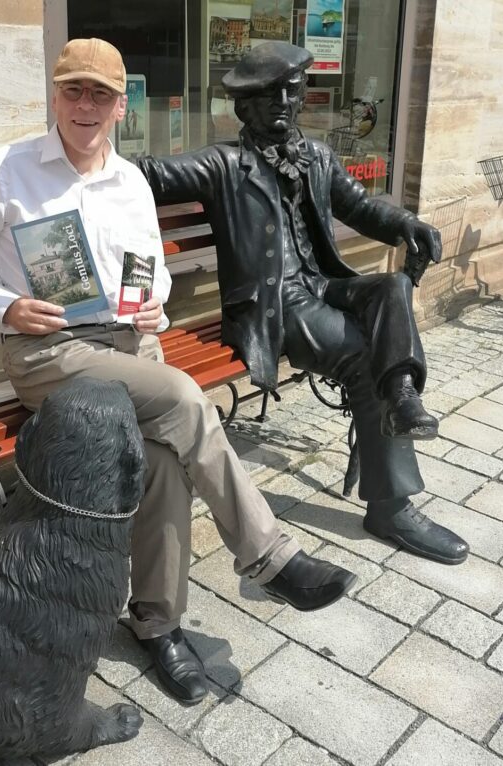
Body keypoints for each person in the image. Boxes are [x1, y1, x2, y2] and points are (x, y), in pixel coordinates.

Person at [0, 38, 356, 706]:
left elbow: (147, 263)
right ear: (54, 94)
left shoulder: (128, 179)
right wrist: (3, 302)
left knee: (160, 464)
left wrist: (152, 299)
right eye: (73, 90)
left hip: (131, 345)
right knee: (187, 403)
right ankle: (268, 558)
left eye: (100, 94)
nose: (85, 105)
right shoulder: (1, 170)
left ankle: (157, 624)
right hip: (51, 354)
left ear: (121, 105)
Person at [137, 41, 470, 569]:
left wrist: (406, 223)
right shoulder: (224, 165)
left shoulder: (315, 155)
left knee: (390, 288)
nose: (286, 103)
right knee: (366, 356)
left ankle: (402, 397)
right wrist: (79, 159)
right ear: (243, 108)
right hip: (275, 306)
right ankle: (391, 506)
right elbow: (149, 176)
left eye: (292, 92)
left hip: (321, 284)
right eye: (270, 95)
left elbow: (360, 207)